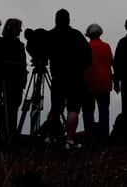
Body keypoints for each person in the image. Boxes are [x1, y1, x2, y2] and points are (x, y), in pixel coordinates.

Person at [47, 9, 92, 149]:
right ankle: (70, 139)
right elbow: (88, 57)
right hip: (75, 78)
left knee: (55, 108)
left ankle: (50, 136)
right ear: (69, 19)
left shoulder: (51, 35)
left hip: (57, 77)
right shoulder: (77, 35)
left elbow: (44, 51)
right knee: (73, 109)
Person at [83, 24, 113, 142]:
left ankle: (89, 134)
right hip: (105, 83)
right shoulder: (106, 46)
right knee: (104, 110)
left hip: (88, 83)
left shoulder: (86, 47)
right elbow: (111, 62)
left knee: (88, 110)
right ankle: (104, 135)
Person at [1, 18, 27, 138]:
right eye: (18, 29)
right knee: (11, 106)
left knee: (13, 105)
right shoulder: (15, 45)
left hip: (15, 79)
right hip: (10, 79)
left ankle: (11, 130)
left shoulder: (5, 43)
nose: (20, 31)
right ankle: (10, 130)